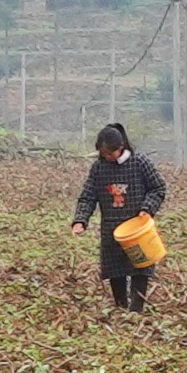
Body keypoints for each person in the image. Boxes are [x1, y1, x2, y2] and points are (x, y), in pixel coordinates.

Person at [72, 124, 169, 310]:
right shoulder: (99, 168)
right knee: (115, 270)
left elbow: (158, 188)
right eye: (104, 153)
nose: (107, 157)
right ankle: (120, 309)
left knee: (140, 267)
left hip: (137, 228)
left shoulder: (140, 162)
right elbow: (88, 196)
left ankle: (136, 310)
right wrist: (80, 220)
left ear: (121, 146)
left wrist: (147, 209)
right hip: (111, 229)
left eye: (110, 153)